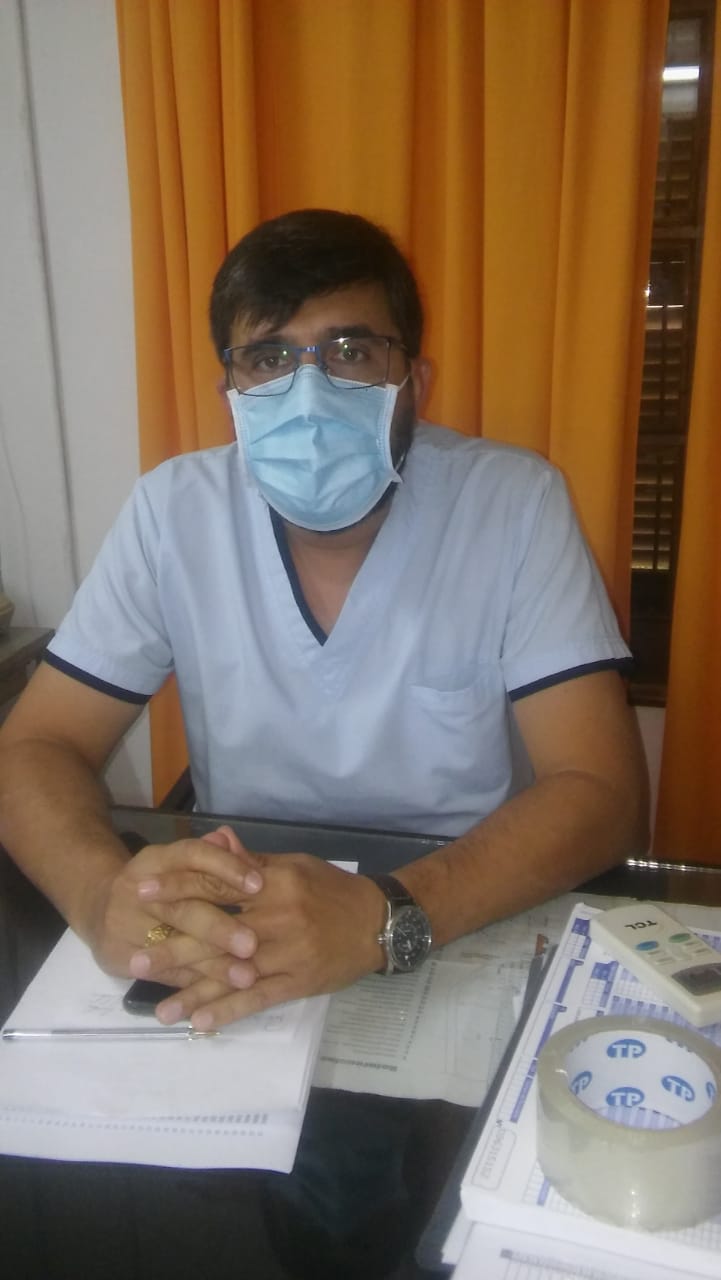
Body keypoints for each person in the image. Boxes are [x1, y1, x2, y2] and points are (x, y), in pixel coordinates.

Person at [0, 209, 648, 1033]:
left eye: (350, 351)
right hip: (243, 923)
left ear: (413, 381)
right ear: (231, 394)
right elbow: (34, 745)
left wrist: (387, 915)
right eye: (269, 358)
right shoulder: (174, 512)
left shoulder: (512, 503)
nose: (308, 394)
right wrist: (100, 898)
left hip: (464, 905)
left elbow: (599, 792)